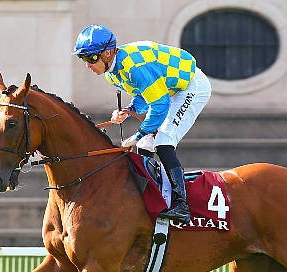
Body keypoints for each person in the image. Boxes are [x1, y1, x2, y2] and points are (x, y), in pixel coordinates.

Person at [72, 24, 212, 224]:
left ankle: (182, 206)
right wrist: (128, 111)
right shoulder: (111, 73)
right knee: (145, 144)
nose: (88, 64)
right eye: (83, 58)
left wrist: (139, 133)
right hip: (168, 90)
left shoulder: (133, 68)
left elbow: (160, 103)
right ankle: (150, 197)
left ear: (108, 53)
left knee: (163, 141)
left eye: (91, 58)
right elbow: (145, 94)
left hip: (191, 86)